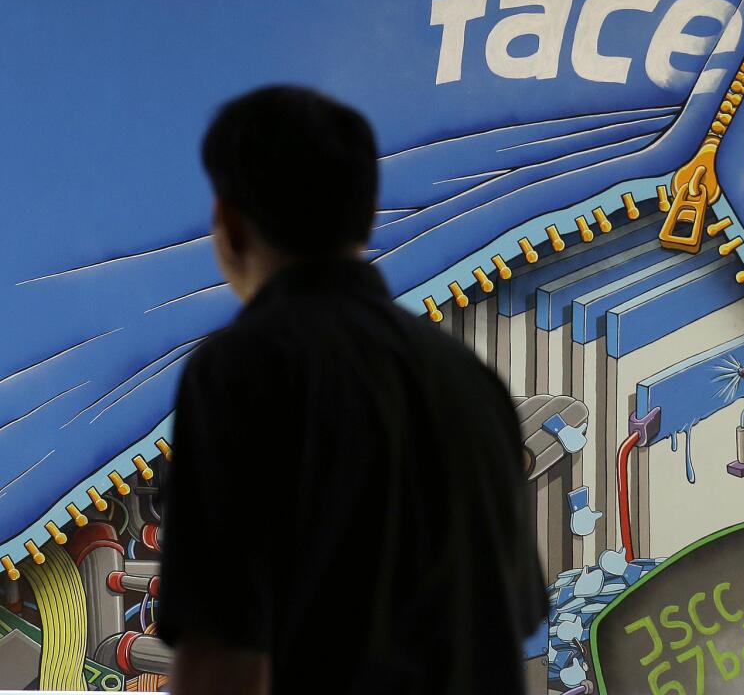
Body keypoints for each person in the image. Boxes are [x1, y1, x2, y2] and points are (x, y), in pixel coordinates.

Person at [157, 85, 546, 694]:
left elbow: (222, 655)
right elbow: (508, 621)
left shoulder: (240, 371)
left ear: (229, 226)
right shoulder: (470, 382)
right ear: (366, 218)